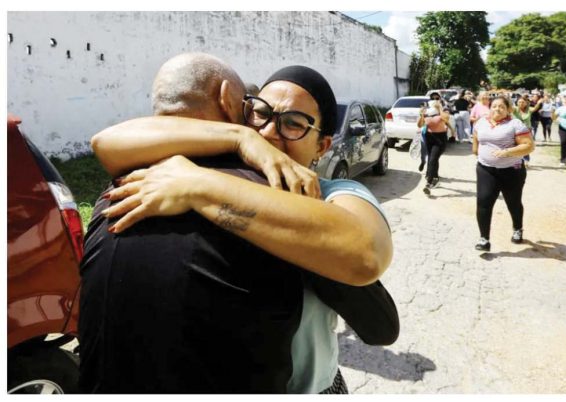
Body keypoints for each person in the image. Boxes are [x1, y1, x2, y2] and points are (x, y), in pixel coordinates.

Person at [81, 55, 397, 393]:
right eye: (260, 113)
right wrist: (237, 138)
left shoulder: (336, 193)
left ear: (322, 146)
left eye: (294, 123)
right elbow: (105, 141)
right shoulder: (219, 165)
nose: (269, 132)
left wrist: (197, 185)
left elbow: (365, 252)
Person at [472, 97, 534, 251]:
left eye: (501, 107)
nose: (497, 109)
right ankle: (484, 239)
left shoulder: (515, 124)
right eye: (494, 106)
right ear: (489, 108)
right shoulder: (481, 122)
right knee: (483, 202)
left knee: (513, 203)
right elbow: (476, 142)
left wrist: (507, 152)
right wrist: (480, 154)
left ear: (508, 109)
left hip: (512, 171)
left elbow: (529, 146)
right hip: (486, 169)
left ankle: (517, 229)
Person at [417, 100, 449, 194]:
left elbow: (446, 119)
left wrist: (439, 108)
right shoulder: (427, 114)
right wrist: (422, 115)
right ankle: (435, 178)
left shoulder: (443, 112)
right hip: (429, 138)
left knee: (433, 159)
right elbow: (419, 125)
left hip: (440, 139)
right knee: (432, 158)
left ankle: (428, 183)